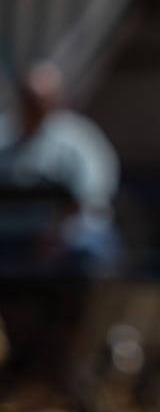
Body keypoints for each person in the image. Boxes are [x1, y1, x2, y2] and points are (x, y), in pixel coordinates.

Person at [0, 61, 121, 276]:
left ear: (54, 101)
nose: (32, 107)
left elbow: (90, 199)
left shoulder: (77, 139)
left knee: (93, 250)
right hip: (9, 236)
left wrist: (55, 235)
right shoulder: (4, 134)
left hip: (63, 238)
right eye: (27, 100)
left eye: (38, 102)